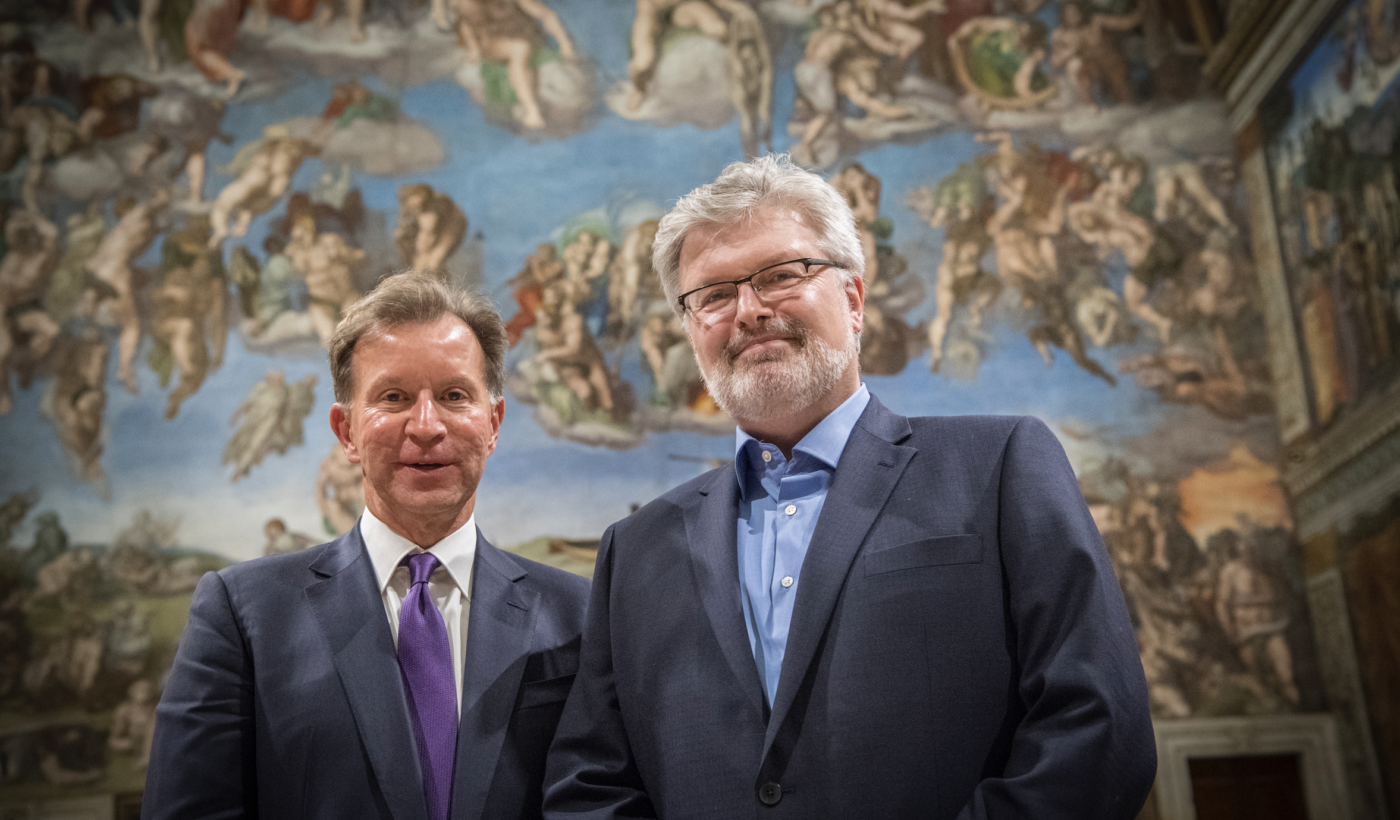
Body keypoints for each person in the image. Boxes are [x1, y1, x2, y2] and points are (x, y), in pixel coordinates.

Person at [544, 155, 1155, 819]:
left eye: (780, 275)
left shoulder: (1000, 465)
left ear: (854, 300)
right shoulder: (635, 549)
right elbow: (590, 783)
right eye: (713, 295)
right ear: (692, 329)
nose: (747, 310)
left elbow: (1098, 725)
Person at [144, 271, 590, 820]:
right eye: (393, 397)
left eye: (454, 395)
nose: (426, 426)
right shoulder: (242, 614)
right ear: (346, 431)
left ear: (493, 423)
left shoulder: (582, 616)